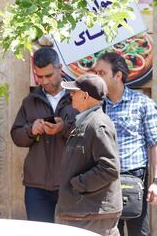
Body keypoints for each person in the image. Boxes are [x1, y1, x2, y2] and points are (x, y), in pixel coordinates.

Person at [10, 47, 77, 222]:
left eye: (49, 76)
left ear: (59, 68)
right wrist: (31, 130)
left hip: (70, 182)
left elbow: (88, 134)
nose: (44, 81)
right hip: (36, 183)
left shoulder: (76, 97)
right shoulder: (30, 100)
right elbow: (16, 135)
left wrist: (63, 129)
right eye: (39, 77)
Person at [95, 52, 157, 236]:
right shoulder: (97, 105)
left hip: (135, 179)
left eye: (102, 73)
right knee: (108, 232)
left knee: (140, 232)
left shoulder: (141, 103)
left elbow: (154, 143)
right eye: (95, 73)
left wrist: (155, 181)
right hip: (104, 178)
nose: (97, 78)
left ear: (118, 75)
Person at [56, 74, 121, 236]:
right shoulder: (88, 122)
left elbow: (109, 168)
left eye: (74, 92)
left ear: (85, 96)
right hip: (85, 211)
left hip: (92, 213)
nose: (70, 95)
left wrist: (78, 184)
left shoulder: (97, 124)